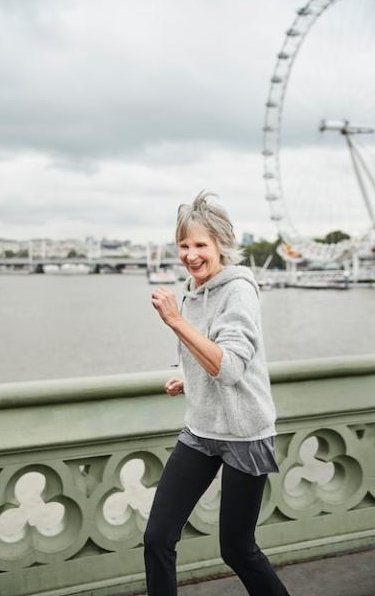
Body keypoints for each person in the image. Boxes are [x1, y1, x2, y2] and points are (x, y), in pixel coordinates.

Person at [144, 192, 290, 596]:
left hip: (245, 435)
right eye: (184, 245)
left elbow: (229, 367)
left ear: (221, 245)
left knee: (238, 550)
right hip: (201, 430)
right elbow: (207, 356)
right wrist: (188, 379)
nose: (190, 255)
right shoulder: (193, 290)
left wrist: (174, 320)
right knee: (158, 537)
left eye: (200, 245)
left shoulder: (239, 290)